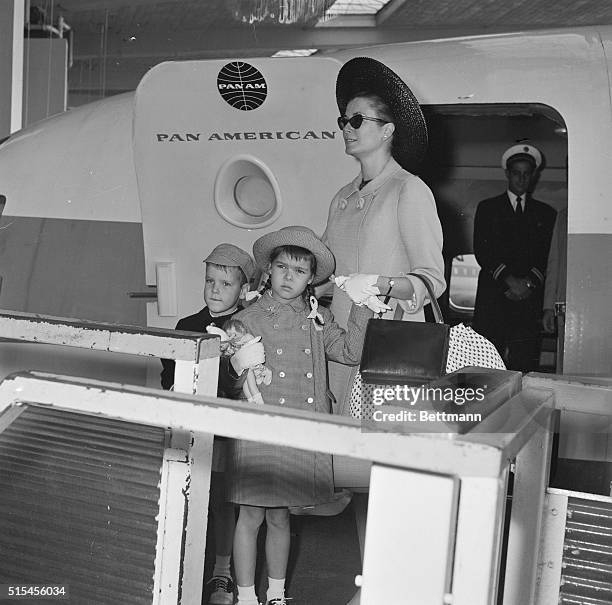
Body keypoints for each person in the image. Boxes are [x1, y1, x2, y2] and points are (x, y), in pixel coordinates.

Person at [322, 57, 445, 605]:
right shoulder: (342, 197)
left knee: (397, 479)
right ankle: (374, 586)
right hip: (345, 349)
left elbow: (431, 280)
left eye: (356, 120)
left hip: (395, 350)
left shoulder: (408, 191)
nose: (346, 129)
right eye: (344, 122)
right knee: (361, 477)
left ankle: (407, 588)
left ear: (386, 128)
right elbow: (330, 276)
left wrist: (385, 286)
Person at [226, 225, 373, 605]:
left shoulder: (316, 319)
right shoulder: (249, 318)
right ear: (268, 271)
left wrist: (361, 305)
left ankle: (276, 595)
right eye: (282, 268)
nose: (289, 277)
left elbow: (350, 352)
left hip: (296, 431)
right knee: (250, 515)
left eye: (300, 271)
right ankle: (244, 597)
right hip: (257, 430)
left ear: (310, 279)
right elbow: (231, 372)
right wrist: (240, 367)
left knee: (279, 518)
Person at [160, 243, 256, 605]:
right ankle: (179, 568)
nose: (215, 289)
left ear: (243, 289)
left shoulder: (247, 327)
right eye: (209, 281)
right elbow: (167, 374)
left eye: (225, 284)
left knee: (221, 502)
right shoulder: (187, 326)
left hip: (227, 430)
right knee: (184, 499)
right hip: (188, 426)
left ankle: (221, 572)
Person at [473, 144, 556, 372]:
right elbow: (483, 252)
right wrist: (510, 281)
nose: (521, 178)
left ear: (533, 176)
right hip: (494, 299)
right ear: (508, 174)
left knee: (524, 366)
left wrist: (527, 284)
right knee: (487, 367)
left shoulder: (546, 214)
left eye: (526, 174)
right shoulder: (488, 209)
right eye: (517, 173)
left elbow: (546, 258)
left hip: (528, 302)